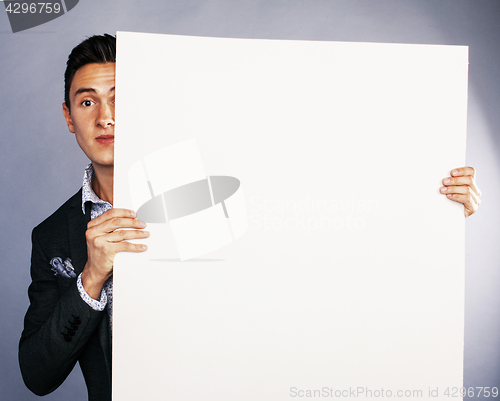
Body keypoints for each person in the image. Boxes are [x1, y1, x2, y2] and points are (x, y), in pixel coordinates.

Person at [18, 34, 482, 401]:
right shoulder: (54, 237)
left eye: (120, 97)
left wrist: (430, 215)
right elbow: (37, 376)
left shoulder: (212, 187)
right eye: (87, 101)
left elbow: (320, 242)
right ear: (68, 116)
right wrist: (92, 278)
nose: (106, 117)